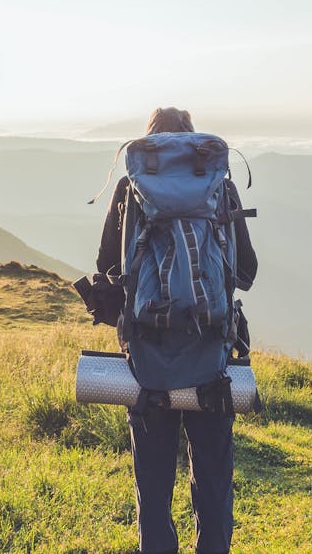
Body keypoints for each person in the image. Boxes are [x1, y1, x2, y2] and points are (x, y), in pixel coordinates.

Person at [96, 107, 257, 554]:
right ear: (191, 145)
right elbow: (246, 271)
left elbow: (107, 269)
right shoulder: (218, 187)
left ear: (149, 147)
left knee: (153, 487)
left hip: (147, 361)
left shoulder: (131, 188)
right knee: (212, 485)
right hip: (211, 359)